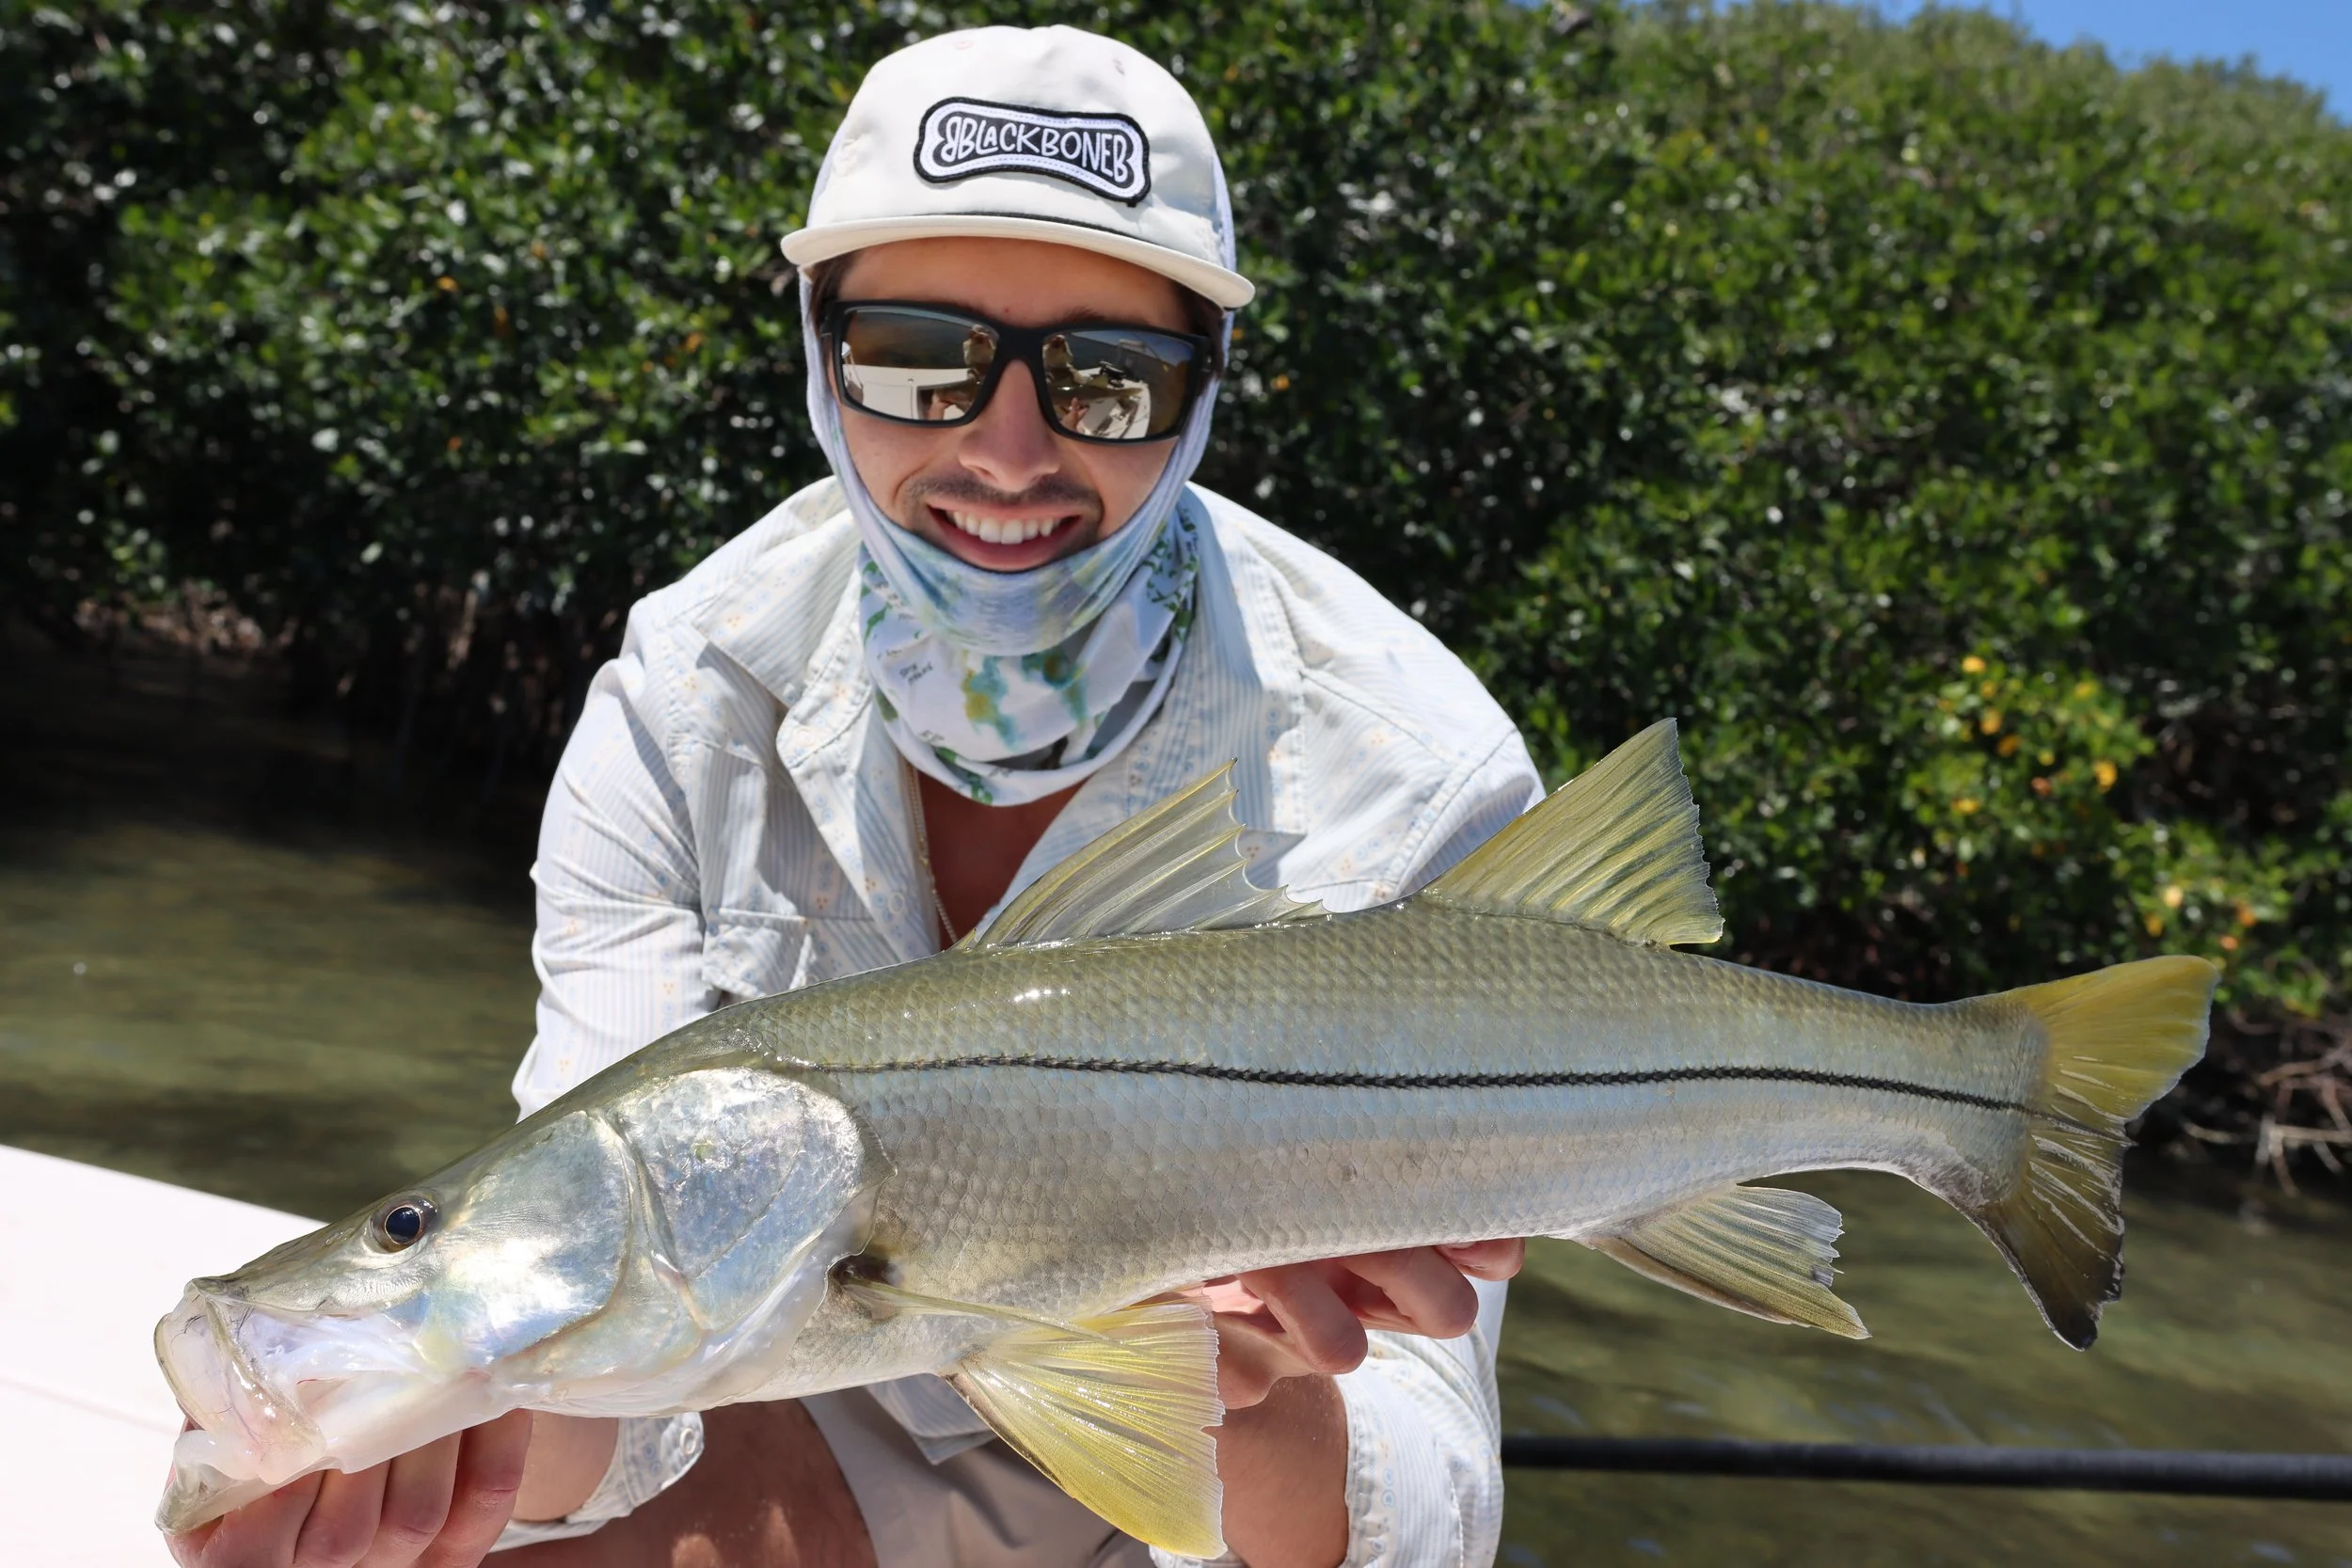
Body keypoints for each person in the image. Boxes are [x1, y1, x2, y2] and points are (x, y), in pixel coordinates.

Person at [167, 25, 1542, 1568]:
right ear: (819, 353)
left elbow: (1431, 1515)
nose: (1006, 448)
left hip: (1192, 1511)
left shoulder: (1418, 774)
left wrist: (1253, 1398)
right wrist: (430, 1416)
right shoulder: (686, 699)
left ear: (1206, 391)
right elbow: (616, 1311)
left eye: (1109, 378)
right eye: (914, 355)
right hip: (804, 1410)